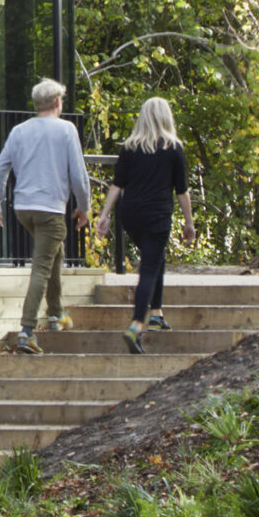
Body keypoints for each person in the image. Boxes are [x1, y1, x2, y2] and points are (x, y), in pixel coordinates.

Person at [0, 78, 91, 354]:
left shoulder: (19, 131)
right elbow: (78, 176)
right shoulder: (66, 130)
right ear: (58, 103)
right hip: (50, 209)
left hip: (23, 209)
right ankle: (27, 331)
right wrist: (84, 206)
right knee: (42, 266)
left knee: (55, 253)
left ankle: (56, 314)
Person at [93, 96, 195, 353]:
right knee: (149, 268)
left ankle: (157, 315)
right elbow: (182, 191)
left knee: (155, 257)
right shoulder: (174, 147)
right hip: (157, 215)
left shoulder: (129, 147)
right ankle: (137, 323)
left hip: (131, 215)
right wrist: (189, 223)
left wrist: (105, 215)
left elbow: (118, 185)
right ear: (166, 117)